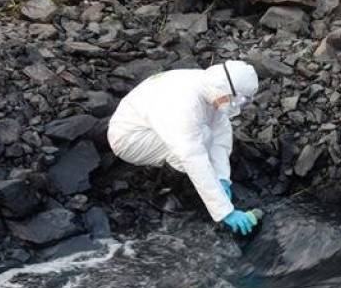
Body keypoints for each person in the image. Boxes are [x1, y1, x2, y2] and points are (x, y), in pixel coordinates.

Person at [107, 60, 260, 235]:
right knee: (197, 142)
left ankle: (196, 186)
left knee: (206, 135)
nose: (239, 105)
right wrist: (225, 211)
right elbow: (193, 158)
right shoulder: (183, 103)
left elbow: (221, 136)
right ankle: (164, 195)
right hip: (129, 138)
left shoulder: (210, 88)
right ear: (226, 90)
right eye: (239, 100)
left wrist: (222, 178)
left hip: (154, 127)